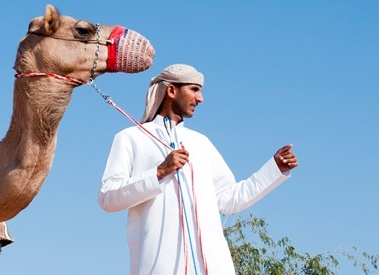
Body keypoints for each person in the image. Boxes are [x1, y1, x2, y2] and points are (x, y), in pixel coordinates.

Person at [98, 64, 298, 275]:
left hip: (214, 267)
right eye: (194, 89)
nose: (200, 98)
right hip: (158, 267)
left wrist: (275, 169)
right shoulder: (131, 138)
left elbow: (230, 199)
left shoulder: (201, 143)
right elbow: (108, 198)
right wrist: (158, 172)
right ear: (172, 90)